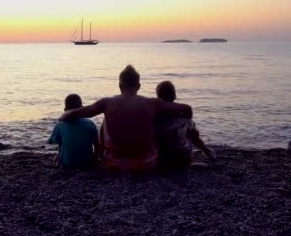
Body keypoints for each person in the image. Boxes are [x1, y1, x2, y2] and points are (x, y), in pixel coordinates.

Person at [60, 65, 193, 173]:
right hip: (146, 163)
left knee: (107, 119)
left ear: (120, 86)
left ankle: (101, 154)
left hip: (114, 164)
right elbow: (187, 109)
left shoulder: (107, 103)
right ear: (139, 86)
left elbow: (73, 114)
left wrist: (63, 116)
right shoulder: (152, 103)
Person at [154, 81, 216, 168]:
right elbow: (195, 135)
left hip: (160, 161)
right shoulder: (183, 118)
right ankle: (206, 151)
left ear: (158, 96)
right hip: (183, 160)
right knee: (189, 128)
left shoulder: (153, 116)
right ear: (174, 95)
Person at [48, 94, 100, 170]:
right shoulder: (90, 124)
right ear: (82, 108)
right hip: (87, 163)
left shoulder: (60, 124)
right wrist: (94, 160)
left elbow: (58, 143)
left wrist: (59, 156)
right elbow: (97, 146)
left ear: (65, 110)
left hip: (67, 164)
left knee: (57, 156)